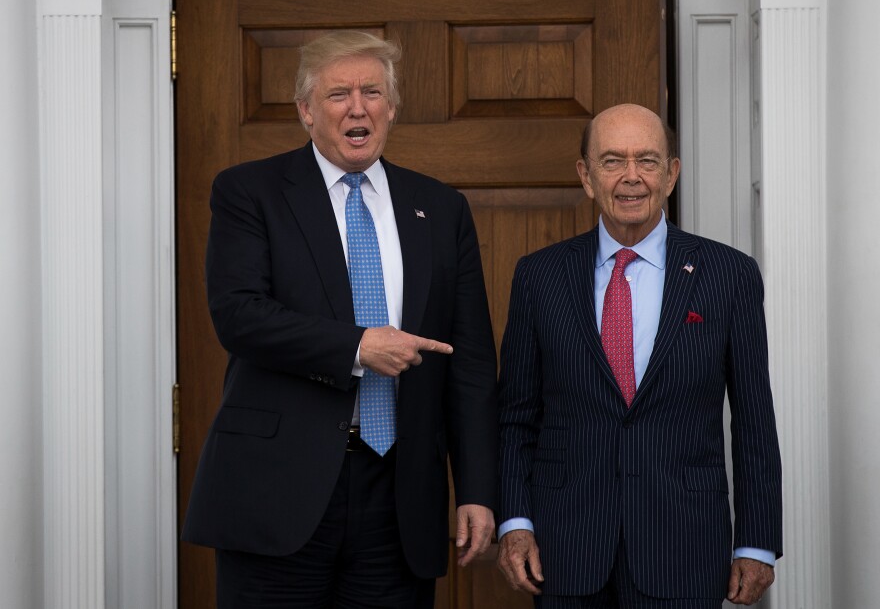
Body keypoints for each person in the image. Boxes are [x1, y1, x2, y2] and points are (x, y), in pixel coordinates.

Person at [182, 30, 498, 608]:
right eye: (338, 94)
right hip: (279, 490)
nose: (358, 107)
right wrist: (358, 347)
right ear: (305, 111)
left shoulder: (441, 207)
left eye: (372, 92)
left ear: (392, 108)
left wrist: (477, 488)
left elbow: (470, 361)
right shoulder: (250, 192)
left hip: (399, 497)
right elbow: (239, 315)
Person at [496, 104, 782, 608]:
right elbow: (516, 415)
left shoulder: (729, 275)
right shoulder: (539, 277)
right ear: (586, 176)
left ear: (671, 174)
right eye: (612, 161)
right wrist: (515, 522)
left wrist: (757, 542)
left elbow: (755, 419)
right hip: (566, 549)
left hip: (685, 548)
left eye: (647, 161)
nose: (632, 177)